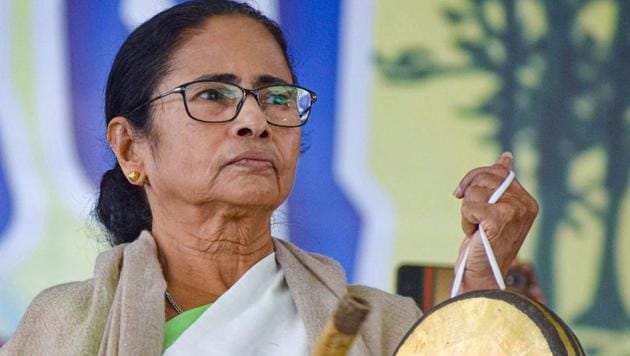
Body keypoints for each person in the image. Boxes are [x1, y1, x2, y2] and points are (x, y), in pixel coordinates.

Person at [0, 1, 538, 355]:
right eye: (213, 95)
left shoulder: (381, 327)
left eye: (276, 97)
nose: (255, 120)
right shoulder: (63, 328)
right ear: (129, 146)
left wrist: (478, 303)